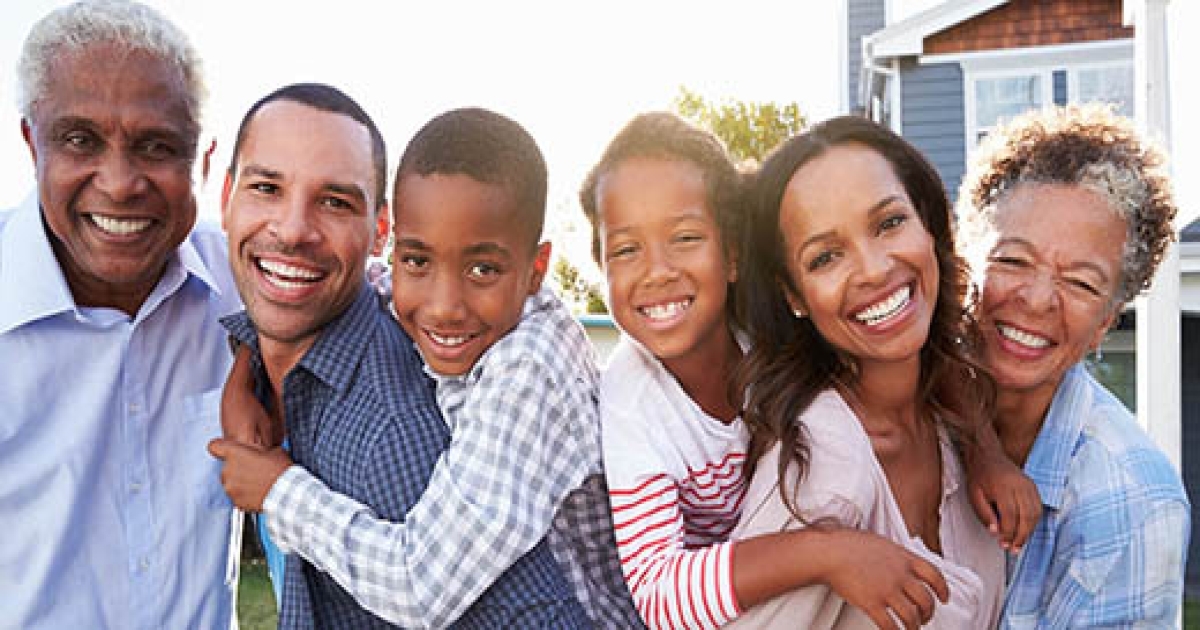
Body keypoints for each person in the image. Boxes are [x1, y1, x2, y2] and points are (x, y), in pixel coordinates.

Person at [579, 111, 1001, 630]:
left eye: (686, 238)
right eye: (624, 250)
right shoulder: (634, 400)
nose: (658, 270)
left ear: (733, 257)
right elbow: (660, 592)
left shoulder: (761, 333)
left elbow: (926, 351)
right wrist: (826, 552)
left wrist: (987, 453)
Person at [211, 105, 623, 627]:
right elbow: (336, 285)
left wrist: (278, 490)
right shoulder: (430, 302)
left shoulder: (528, 370)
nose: (443, 304)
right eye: (418, 261)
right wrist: (244, 368)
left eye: (482, 268)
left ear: (536, 269)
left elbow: (418, 587)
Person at [0, 2, 239, 628]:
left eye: (157, 146)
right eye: (80, 140)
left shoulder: (246, 291)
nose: (120, 182)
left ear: (204, 161)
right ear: (32, 141)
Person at [729, 115, 1006, 629]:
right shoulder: (824, 465)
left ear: (928, 224)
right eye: (826, 257)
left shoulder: (954, 421)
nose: (875, 269)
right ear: (793, 295)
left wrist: (984, 446)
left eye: (889, 223)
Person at [955, 104, 1190, 628]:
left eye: (1081, 283)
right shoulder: (895, 400)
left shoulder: (1132, 504)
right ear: (963, 260)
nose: (1038, 301)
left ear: (1105, 323)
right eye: (1012, 260)